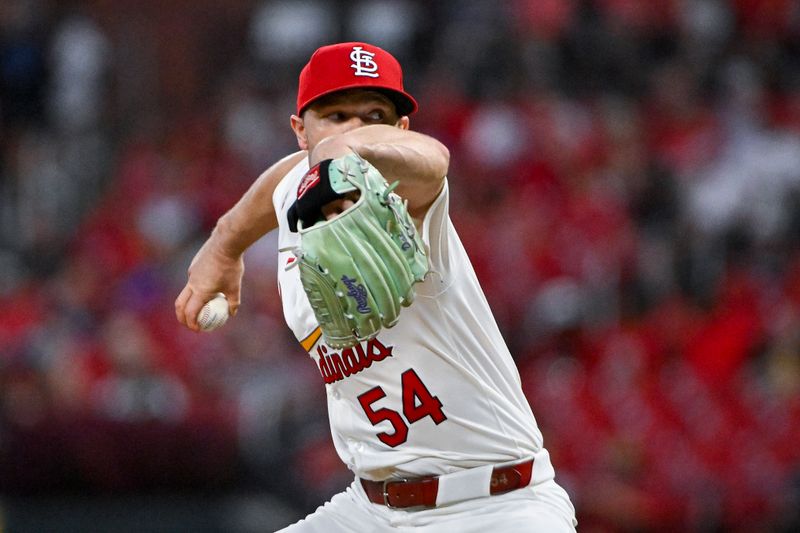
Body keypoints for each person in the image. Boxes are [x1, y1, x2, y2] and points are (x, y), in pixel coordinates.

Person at [175, 41, 577, 532]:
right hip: (372, 510)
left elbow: (434, 159)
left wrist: (341, 147)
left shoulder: (407, 197)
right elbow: (284, 181)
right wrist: (223, 245)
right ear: (299, 131)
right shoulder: (298, 187)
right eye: (336, 114)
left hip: (496, 505)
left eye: (375, 115)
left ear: (400, 129)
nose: (357, 128)